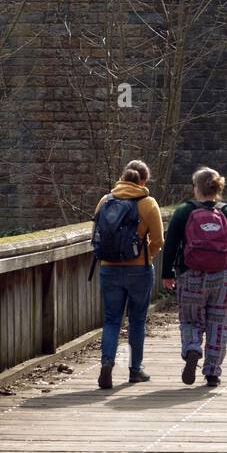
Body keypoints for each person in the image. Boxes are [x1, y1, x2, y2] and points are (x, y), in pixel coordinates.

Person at [161, 168, 227, 389]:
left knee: (190, 320)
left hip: (191, 275)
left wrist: (167, 273)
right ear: (217, 187)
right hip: (223, 276)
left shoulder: (184, 211)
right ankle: (212, 372)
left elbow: (172, 245)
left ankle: (193, 347)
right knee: (218, 325)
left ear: (196, 187)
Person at [92, 160, 163, 389]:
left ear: (122, 178)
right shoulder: (148, 203)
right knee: (137, 320)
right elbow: (159, 240)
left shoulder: (105, 200)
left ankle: (107, 362)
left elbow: (95, 234)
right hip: (139, 270)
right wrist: (146, 256)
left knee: (112, 319)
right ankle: (134, 370)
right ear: (143, 180)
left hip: (108, 267)